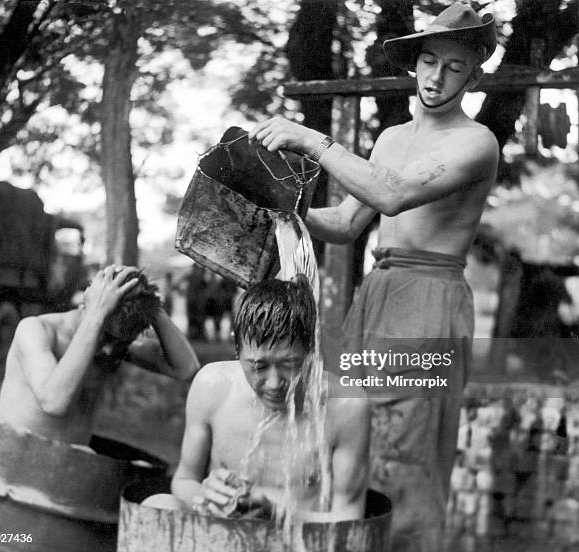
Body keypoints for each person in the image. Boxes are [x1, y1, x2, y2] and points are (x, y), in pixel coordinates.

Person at [248, 3, 499, 550]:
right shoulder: (389, 140)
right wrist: (280, 208)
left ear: (475, 73)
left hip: (431, 300)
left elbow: (393, 194)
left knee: (407, 453)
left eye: (454, 67)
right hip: (378, 293)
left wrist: (312, 139)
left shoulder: (476, 142)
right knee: (351, 434)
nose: (436, 77)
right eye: (429, 61)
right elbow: (344, 224)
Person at [143, 276, 370, 522]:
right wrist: (206, 496)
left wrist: (277, 515)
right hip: (222, 535)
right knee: (156, 505)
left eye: (290, 364)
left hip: (300, 540)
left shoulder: (347, 405)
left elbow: (349, 516)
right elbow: (185, 479)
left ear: (312, 353)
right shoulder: (212, 386)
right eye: (258, 366)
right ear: (237, 351)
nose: (274, 383)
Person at [0, 264, 200, 446]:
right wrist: (97, 315)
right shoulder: (36, 330)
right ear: (90, 306)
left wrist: (152, 305)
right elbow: (53, 402)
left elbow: (185, 368)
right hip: (11, 462)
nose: (110, 350)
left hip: (67, 469)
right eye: (106, 336)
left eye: (120, 342)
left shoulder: (115, 342)